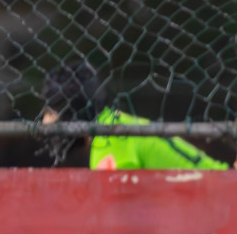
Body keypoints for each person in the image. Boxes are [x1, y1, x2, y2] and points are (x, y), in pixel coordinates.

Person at [42, 61, 227, 171]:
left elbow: (116, 214)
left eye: (52, 111)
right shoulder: (112, 124)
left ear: (73, 110)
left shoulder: (109, 139)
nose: (45, 122)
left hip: (223, 195)